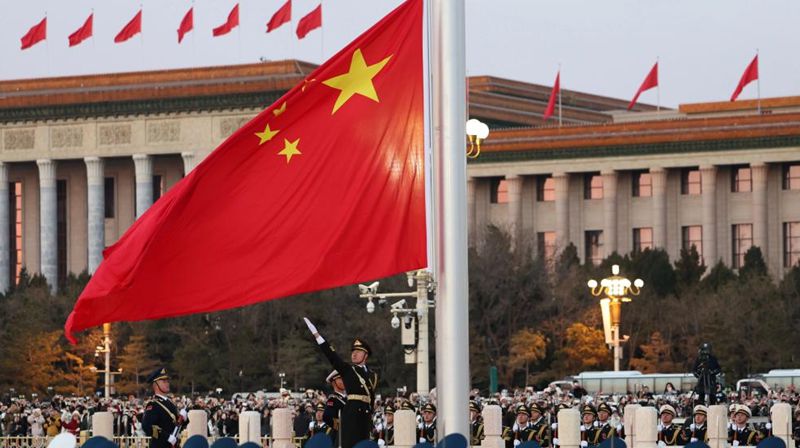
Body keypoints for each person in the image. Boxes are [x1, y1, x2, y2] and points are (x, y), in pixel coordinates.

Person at [305, 318, 378, 448]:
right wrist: (317, 336)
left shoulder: (373, 375)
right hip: (351, 414)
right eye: (353, 352)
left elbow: (370, 398)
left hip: (365, 417)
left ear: (365, 355)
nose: (354, 354)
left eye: (358, 352)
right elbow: (332, 356)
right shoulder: (348, 370)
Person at [142, 367, 185, 448]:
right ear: (156, 385)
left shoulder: (170, 403)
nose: (167, 383)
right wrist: (167, 437)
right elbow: (147, 426)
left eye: (167, 381)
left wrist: (184, 418)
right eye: (164, 381)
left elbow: (177, 425)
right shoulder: (153, 404)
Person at [324, 370, 347, 445]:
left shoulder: (348, 398)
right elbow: (327, 417)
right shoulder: (333, 399)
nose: (344, 380)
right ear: (333, 382)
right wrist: (341, 426)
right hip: (338, 436)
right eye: (340, 379)